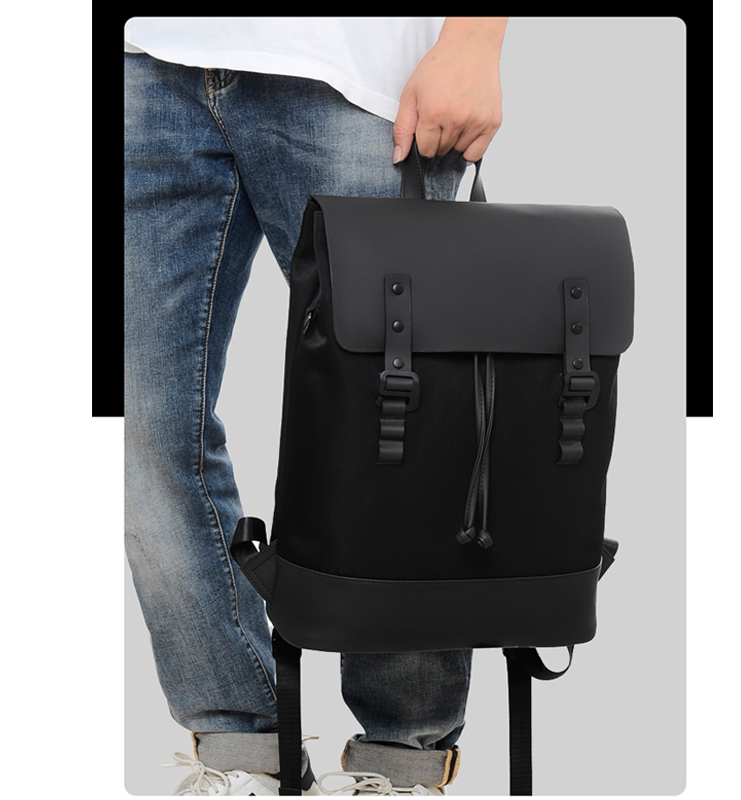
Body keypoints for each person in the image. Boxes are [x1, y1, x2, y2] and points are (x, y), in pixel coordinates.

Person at [124, 17, 507, 796]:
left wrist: (474, 41)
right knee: (137, 429)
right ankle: (242, 748)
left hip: (358, 76)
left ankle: (400, 763)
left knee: (399, 428)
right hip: (146, 66)